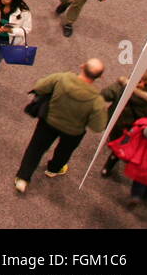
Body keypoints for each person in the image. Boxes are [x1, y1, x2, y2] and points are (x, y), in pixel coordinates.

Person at [15, 59, 109, 194]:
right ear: (100, 77)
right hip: (73, 132)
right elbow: (98, 126)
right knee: (64, 152)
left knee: (36, 148)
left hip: (49, 122)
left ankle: (22, 178)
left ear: (82, 66)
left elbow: (40, 86)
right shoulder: (96, 101)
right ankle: (54, 169)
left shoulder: (61, 78)